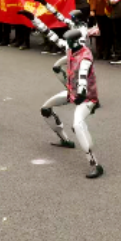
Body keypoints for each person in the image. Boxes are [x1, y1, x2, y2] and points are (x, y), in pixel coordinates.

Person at [19, 9, 104, 179]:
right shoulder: (71, 49)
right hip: (72, 92)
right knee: (45, 109)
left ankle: (95, 164)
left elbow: (83, 74)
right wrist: (33, 18)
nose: (66, 44)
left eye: (68, 41)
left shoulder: (85, 56)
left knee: (78, 125)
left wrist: (80, 91)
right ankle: (65, 139)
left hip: (87, 98)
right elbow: (49, 34)